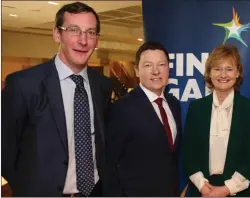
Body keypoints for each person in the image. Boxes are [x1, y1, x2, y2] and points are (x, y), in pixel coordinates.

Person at [1, 2, 112, 196]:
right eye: (74, 30)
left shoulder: (102, 86)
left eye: (91, 32)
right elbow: (5, 150)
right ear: (57, 34)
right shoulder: (23, 85)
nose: (83, 40)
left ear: (97, 39)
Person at [105, 41, 182, 196]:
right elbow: (109, 164)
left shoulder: (173, 104)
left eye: (161, 65)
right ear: (137, 70)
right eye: (148, 65)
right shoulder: (122, 108)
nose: (155, 71)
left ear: (168, 69)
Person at [182, 45, 250, 197]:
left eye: (229, 69)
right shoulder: (196, 108)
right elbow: (188, 153)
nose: (223, 75)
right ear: (209, 73)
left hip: (236, 192)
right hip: (201, 191)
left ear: (238, 72)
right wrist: (203, 187)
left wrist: (226, 189)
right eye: (217, 69)